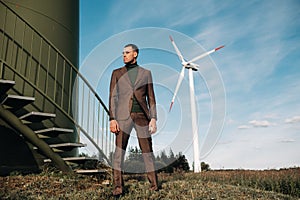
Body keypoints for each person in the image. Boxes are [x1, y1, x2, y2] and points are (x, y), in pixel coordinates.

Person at [109, 44, 158, 196]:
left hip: (142, 117)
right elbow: (113, 97)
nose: (124, 55)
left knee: (147, 152)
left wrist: (154, 118)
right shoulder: (116, 73)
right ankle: (118, 187)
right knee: (119, 153)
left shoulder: (146, 73)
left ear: (135, 54)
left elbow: (151, 98)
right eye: (123, 53)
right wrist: (112, 118)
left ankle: (154, 186)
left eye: (127, 52)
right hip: (122, 117)